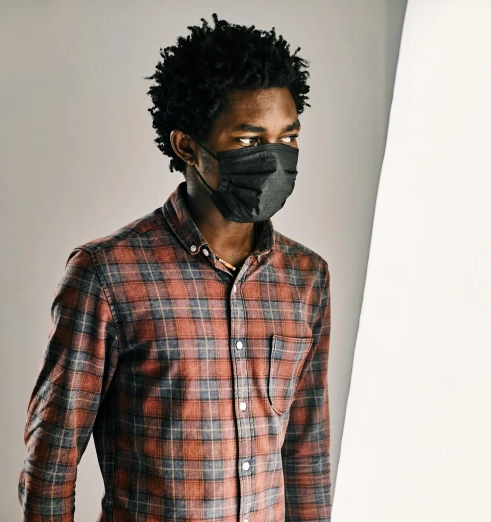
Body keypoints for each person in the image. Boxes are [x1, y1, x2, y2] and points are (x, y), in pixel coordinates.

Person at [18, 13, 332, 522]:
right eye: (250, 142)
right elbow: (52, 457)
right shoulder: (107, 274)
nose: (274, 161)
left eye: (288, 139)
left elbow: (305, 445)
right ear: (187, 145)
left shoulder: (306, 278)